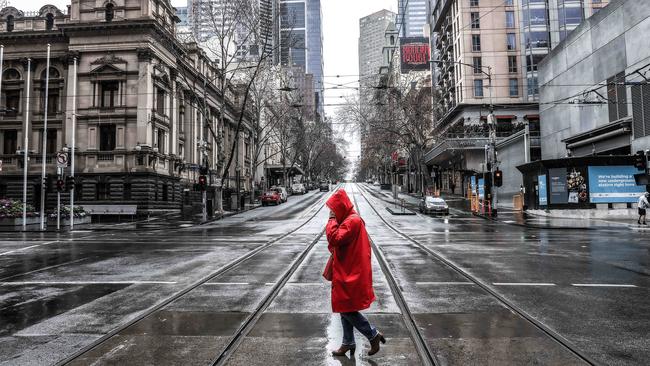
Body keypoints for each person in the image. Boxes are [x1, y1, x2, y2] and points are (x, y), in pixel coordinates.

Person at [325, 189, 385, 357]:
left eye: (333, 209)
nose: (332, 212)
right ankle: (348, 342)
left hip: (351, 272)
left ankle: (372, 335)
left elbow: (334, 238)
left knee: (346, 309)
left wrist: (331, 219)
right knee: (344, 306)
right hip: (348, 269)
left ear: (340, 207)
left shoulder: (351, 221)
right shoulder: (351, 219)